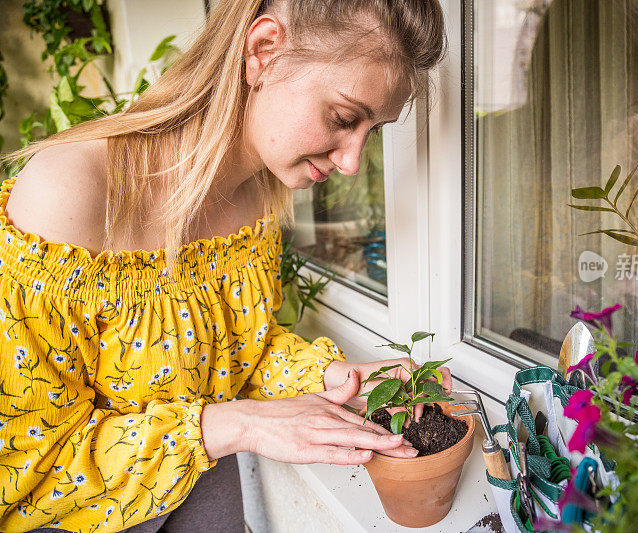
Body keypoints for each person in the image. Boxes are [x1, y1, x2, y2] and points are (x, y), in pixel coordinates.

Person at [0, 0, 447, 531]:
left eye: (370, 131)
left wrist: (337, 376)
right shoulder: (68, 191)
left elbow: (240, 353)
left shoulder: (256, 194)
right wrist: (233, 424)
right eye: (344, 118)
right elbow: (29, 464)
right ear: (263, 51)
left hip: (203, 488)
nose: (351, 162)